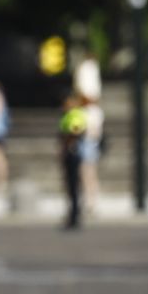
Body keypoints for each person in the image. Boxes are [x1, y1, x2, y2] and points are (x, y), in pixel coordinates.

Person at [57, 93, 88, 229]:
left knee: (74, 186)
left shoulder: (74, 115)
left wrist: (69, 142)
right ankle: (73, 213)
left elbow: (76, 130)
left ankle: (75, 214)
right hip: (70, 152)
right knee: (71, 186)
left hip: (72, 153)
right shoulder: (70, 115)